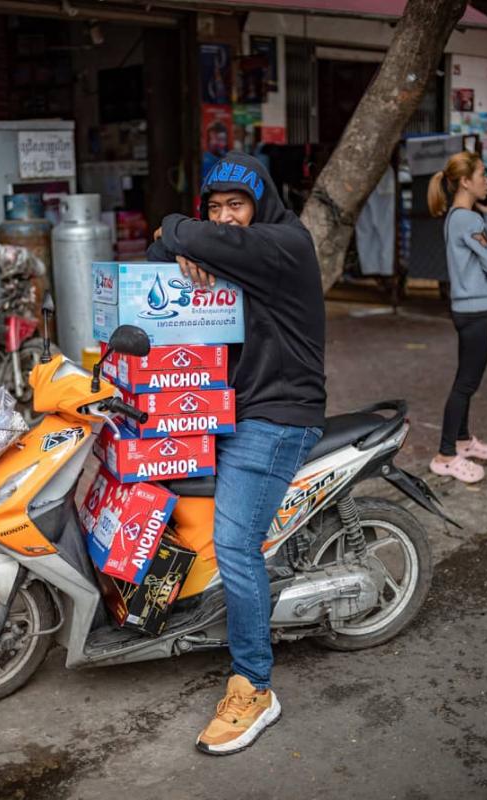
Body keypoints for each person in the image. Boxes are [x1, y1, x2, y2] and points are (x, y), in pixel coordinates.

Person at [147, 152, 326, 755]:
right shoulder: (225, 247)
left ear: (262, 205)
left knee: (234, 543)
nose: (226, 219)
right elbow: (151, 256)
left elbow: (175, 228)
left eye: (237, 206)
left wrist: (179, 232)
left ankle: (254, 685)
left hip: (277, 415)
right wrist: (176, 248)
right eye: (216, 207)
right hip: (220, 408)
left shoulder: (285, 244)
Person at [427, 151, 487, 483]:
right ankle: (445, 455)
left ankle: (462, 439)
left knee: (466, 381)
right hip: (475, 310)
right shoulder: (469, 220)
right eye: (483, 174)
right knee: (466, 383)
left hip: (467, 308)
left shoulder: (457, 217)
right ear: (467, 181)